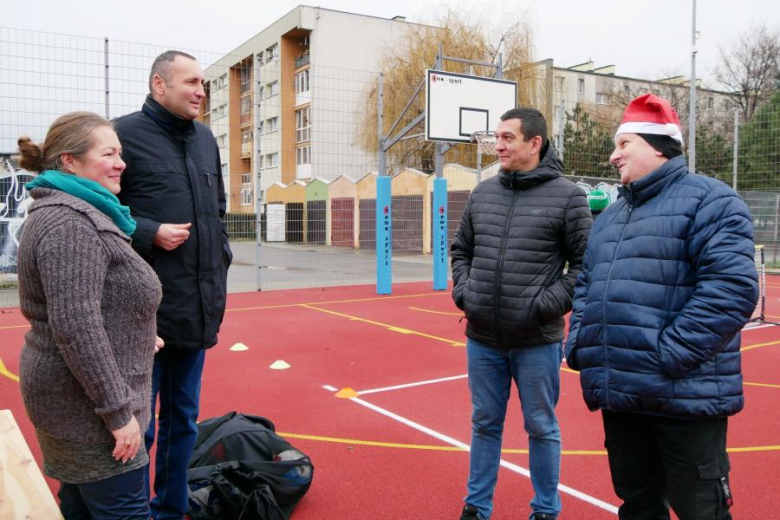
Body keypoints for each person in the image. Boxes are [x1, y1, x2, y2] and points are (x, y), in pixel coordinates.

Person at [565, 93, 759, 520]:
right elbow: (587, 286)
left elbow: (733, 289)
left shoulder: (712, 201)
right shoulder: (612, 218)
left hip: (684, 399)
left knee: (701, 511)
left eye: (623, 144)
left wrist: (667, 356)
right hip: (622, 398)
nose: (613, 156)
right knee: (638, 508)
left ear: (657, 145)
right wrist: (579, 344)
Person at [16, 112, 163, 518]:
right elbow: (76, 327)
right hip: (88, 411)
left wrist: (136, 332)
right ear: (69, 161)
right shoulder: (70, 223)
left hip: (74, 399)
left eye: (121, 153)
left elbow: (89, 307)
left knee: (82, 507)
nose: (121, 163)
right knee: (124, 512)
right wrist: (118, 415)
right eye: (109, 153)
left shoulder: (75, 212)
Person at [451, 107, 593, 520]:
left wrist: (543, 305)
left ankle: (546, 509)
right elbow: (462, 250)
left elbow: (584, 268)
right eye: (497, 137)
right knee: (484, 424)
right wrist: (466, 293)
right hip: (482, 337)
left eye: (508, 138)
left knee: (541, 427)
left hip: (536, 340)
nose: (498, 145)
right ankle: (477, 507)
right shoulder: (483, 193)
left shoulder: (568, 197)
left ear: (535, 142)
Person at [114, 50, 231, 519]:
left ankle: (171, 508)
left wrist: (220, 255)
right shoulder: (122, 135)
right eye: (191, 82)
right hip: (142, 315)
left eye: (203, 82)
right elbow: (98, 212)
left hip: (194, 307)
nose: (201, 90)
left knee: (182, 421)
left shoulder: (205, 139)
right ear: (159, 85)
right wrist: (148, 232)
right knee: (137, 426)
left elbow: (216, 210)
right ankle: (131, 511)